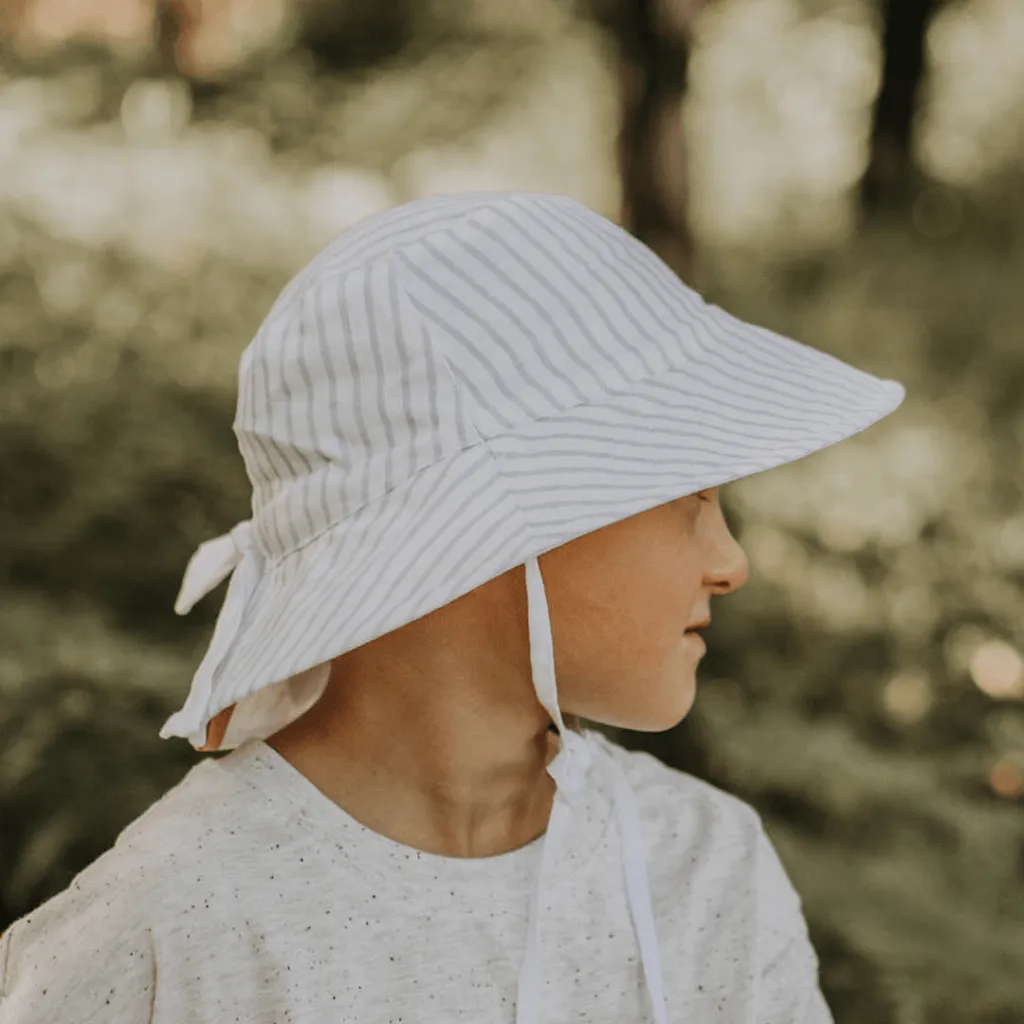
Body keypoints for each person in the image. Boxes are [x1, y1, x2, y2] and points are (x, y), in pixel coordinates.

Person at [0, 191, 905, 1023]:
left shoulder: (703, 870)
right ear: (494, 527)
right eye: (688, 496)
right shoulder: (175, 926)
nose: (731, 563)